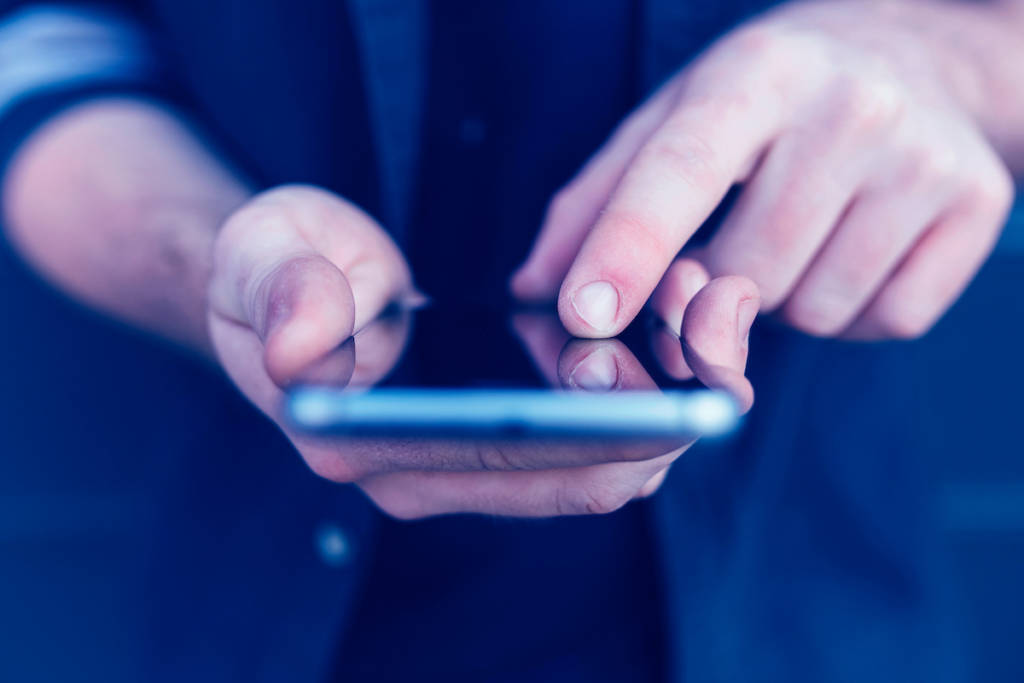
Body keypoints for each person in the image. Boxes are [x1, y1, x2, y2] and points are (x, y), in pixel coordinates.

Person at [0, 1, 1019, 681]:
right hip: (256, 615)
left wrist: (947, 60)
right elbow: (47, 40)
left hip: (805, 611)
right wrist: (217, 263)